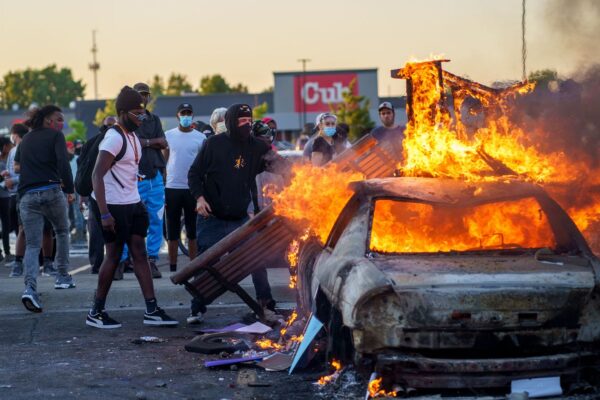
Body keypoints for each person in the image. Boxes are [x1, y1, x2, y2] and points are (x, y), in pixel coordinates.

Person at [87, 86, 177, 329]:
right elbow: (97, 175)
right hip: (112, 206)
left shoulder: (133, 137)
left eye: (143, 113)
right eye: (137, 113)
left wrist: (138, 201)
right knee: (114, 256)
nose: (142, 117)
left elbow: (129, 172)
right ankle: (96, 312)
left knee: (140, 253)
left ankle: (152, 309)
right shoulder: (114, 137)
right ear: (123, 112)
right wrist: (104, 214)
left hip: (132, 203)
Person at [187, 103, 277, 324]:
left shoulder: (256, 146)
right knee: (206, 264)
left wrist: (299, 177)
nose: (247, 126)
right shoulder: (213, 144)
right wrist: (199, 199)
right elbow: (194, 173)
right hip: (212, 218)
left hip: (239, 218)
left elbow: (278, 165)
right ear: (231, 123)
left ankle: (266, 306)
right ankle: (197, 307)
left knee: (256, 260)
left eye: (250, 121)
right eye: (242, 122)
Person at [15, 105, 76, 313]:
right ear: (49, 121)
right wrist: (69, 188)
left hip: (27, 195)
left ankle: (29, 288)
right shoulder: (55, 136)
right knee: (61, 231)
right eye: (59, 119)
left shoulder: (25, 140)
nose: (62, 124)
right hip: (51, 189)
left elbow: (19, 167)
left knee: (33, 245)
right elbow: (63, 163)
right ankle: (62, 276)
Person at [118, 82, 167, 279]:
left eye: (146, 95)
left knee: (156, 219)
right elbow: (133, 142)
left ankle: (152, 259)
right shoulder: (127, 121)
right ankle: (121, 260)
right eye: (140, 94)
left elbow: (163, 142)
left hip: (155, 175)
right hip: (134, 176)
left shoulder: (154, 119)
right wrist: (151, 142)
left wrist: (147, 143)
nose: (143, 98)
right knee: (128, 220)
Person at [163, 103, 205, 272]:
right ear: (178, 116)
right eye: (183, 113)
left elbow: (202, 164)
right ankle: (173, 267)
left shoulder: (200, 137)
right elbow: (164, 159)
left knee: (192, 230)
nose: (186, 116)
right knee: (172, 230)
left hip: (192, 189)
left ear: (192, 116)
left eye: (189, 113)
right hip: (172, 187)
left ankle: (193, 266)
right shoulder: (168, 135)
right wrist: (164, 181)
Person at [83, 116, 117, 275]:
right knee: (96, 230)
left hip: (118, 192)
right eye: (108, 125)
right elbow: (84, 169)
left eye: (113, 125)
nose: (111, 128)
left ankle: (121, 263)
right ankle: (97, 264)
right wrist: (82, 193)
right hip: (96, 193)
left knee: (121, 230)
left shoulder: (121, 140)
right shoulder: (92, 143)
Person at [2, 124, 28, 272]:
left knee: (22, 228)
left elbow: (28, 171)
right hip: (13, 193)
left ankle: (23, 259)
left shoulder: (23, 148)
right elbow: (12, 170)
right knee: (18, 227)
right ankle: (20, 259)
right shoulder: (13, 150)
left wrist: (14, 180)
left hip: (22, 192)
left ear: (15, 134)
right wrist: (6, 174)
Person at [0, 136, 14, 262]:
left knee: (7, 225)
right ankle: (4, 252)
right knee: (6, 224)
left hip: (6, 196)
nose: (11, 148)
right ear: (4, 147)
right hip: (3, 196)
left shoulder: (8, 159)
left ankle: (7, 252)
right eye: (9, 146)